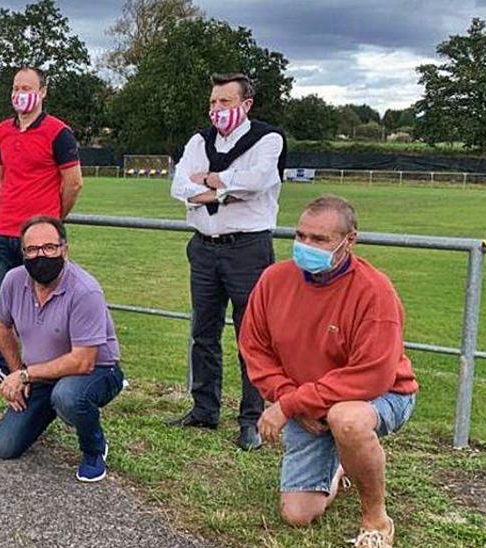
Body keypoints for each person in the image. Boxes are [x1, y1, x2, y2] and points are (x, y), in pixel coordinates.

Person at [241, 195, 418, 547]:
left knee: (346, 420)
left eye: (319, 239)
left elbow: (371, 376)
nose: (306, 245)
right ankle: (342, 463)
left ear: (349, 240)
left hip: (382, 395)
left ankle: (376, 519)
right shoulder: (273, 280)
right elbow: (255, 349)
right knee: (297, 515)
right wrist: (292, 399)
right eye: (300, 235)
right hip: (307, 399)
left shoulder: (374, 292)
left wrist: (292, 406)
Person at [168, 73, 286, 451]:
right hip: (204, 247)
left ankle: (251, 419)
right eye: (214, 102)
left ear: (246, 104)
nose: (216, 109)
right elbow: (178, 186)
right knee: (203, 332)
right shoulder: (199, 140)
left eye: (225, 102)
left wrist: (211, 181)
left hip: (247, 249)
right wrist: (223, 190)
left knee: (250, 336)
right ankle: (204, 409)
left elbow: (256, 182)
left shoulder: (268, 139)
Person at [0, 216, 124, 483]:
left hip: (96, 371)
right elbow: (2, 325)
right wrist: (18, 374)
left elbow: (84, 361)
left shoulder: (85, 291)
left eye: (49, 248)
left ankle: (94, 449)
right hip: (41, 375)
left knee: (69, 397)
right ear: (23, 253)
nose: (41, 256)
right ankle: (45, 410)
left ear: (64, 249)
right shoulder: (14, 281)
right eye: (32, 250)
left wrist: (26, 375)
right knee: (2, 447)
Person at [0, 66, 84, 390]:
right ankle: (5, 366)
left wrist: (51, 219)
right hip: (3, 231)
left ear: (43, 91)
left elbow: (74, 183)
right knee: (5, 304)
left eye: (27, 86)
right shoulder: (2, 131)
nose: (19, 93)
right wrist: (12, 199)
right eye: (15, 87)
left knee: (50, 303)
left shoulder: (58, 132)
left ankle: (49, 369)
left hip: (40, 240)